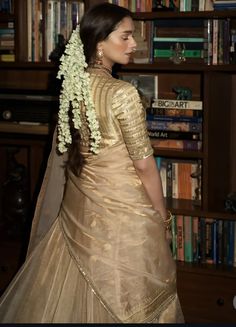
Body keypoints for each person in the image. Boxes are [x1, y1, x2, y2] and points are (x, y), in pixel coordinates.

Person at [0, 3, 184, 323]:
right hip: (123, 212)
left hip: (81, 203)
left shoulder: (73, 86)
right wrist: (162, 219)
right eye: (125, 36)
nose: (133, 44)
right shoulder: (123, 93)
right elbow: (144, 166)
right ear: (100, 42)